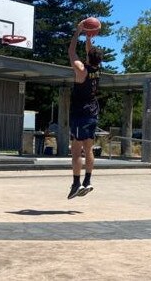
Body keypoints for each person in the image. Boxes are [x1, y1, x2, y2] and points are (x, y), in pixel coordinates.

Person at [67, 22, 103, 199]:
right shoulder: (97, 69)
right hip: (93, 113)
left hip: (81, 114)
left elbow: (71, 53)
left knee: (76, 152)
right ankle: (88, 181)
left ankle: (76, 183)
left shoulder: (82, 70)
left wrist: (78, 32)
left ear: (89, 57)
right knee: (88, 149)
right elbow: (90, 51)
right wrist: (89, 37)